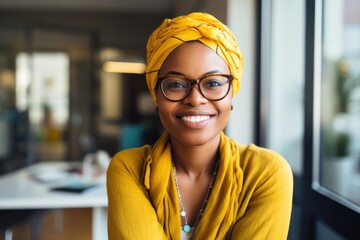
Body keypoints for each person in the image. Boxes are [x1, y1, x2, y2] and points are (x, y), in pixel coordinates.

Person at [107, 12, 293, 240]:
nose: (195, 99)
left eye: (213, 83)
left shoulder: (266, 173)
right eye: (176, 84)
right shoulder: (129, 169)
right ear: (157, 95)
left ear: (231, 94)